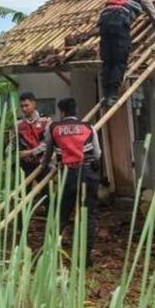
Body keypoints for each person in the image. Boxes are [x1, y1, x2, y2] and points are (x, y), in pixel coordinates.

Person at [41, 97, 103, 266]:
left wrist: (45, 166)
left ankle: (50, 254)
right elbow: (97, 154)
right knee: (88, 216)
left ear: (62, 112)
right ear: (75, 110)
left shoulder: (54, 128)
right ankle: (85, 258)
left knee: (60, 215)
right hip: (88, 175)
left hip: (67, 176)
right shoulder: (88, 127)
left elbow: (47, 153)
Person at [16, 92, 51, 173]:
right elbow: (14, 143)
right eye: (22, 106)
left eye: (26, 105)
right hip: (25, 165)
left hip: (43, 164)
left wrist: (30, 152)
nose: (24, 109)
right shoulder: (18, 123)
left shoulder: (45, 120)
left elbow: (48, 144)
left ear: (34, 104)